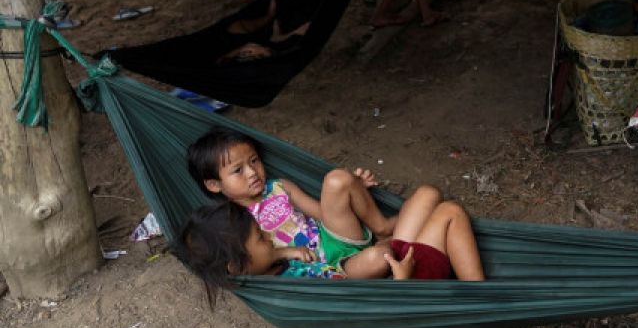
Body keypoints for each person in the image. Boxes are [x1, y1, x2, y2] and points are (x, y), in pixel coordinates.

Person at [185, 127, 485, 289]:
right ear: (214, 185)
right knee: (389, 248)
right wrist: (286, 251)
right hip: (334, 268)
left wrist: (354, 196)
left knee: (340, 180)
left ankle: (381, 226)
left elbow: (320, 212)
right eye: (238, 171)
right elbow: (251, 261)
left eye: (254, 162)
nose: (252, 173)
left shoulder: (278, 186)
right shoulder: (233, 225)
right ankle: (398, 257)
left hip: (334, 237)